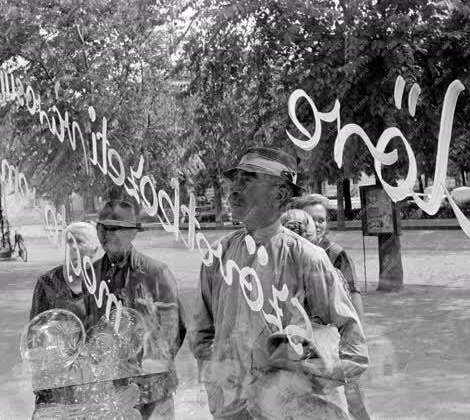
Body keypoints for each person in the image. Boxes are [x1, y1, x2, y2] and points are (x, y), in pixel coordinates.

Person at [190, 147, 369, 419]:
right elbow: (202, 335)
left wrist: (307, 372)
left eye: (248, 179)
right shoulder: (218, 256)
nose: (234, 189)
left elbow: (354, 348)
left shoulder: (308, 257)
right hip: (232, 409)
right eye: (234, 179)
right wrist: (219, 378)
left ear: (281, 194)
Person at [87, 200, 186, 419]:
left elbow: (174, 331)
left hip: (152, 392)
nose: (107, 235)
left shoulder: (155, 272)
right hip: (107, 391)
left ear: (132, 233)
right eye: (102, 228)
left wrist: (149, 365)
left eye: (115, 228)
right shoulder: (90, 275)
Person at [292, 194, 370, 420]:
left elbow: (353, 299)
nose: (317, 225)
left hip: (332, 342)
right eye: (310, 219)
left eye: (321, 219)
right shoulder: (288, 251)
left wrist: (354, 345)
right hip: (301, 342)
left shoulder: (334, 253)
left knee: (350, 401)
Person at [29, 221, 101, 407]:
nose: (73, 248)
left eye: (79, 241)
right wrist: (42, 385)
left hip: (96, 383)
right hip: (59, 383)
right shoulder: (48, 283)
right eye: (69, 242)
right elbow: (34, 337)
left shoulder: (103, 285)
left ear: (94, 249)